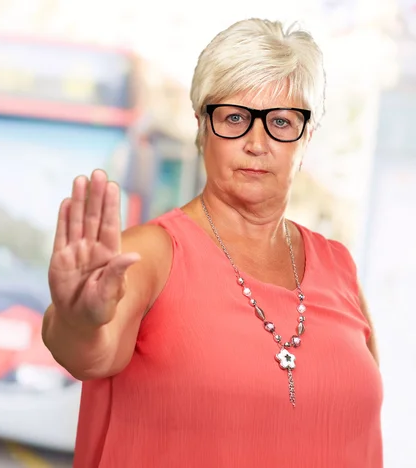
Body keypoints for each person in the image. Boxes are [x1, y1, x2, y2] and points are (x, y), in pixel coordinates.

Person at [42, 18, 383, 468]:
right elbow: (91, 354)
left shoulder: (339, 267)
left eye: (281, 122)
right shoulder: (151, 254)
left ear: (306, 138)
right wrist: (78, 320)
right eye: (236, 118)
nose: (257, 143)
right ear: (203, 128)